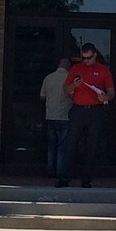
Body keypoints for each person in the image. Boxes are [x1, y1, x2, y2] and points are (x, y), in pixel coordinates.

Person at [64, 41, 115, 188]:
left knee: (92, 146)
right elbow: (66, 89)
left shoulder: (103, 70)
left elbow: (111, 92)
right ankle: (65, 177)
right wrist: (74, 85)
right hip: (78, 110)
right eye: (83, 58)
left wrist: (105, 97)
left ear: (95, 55)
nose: (86, 61)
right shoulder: (75, 69)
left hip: (95, 111)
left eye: (89, 57)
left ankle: (86, 179)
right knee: (71, 144)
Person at [40, 55, 73, 186]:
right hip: (65, 115)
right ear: (68, 67)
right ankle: (60, 171)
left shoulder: (48, 78)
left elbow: (42, 96)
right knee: (62, 146)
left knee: (52, 145)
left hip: (50, 115)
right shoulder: (69, 78)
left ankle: (50, 170)